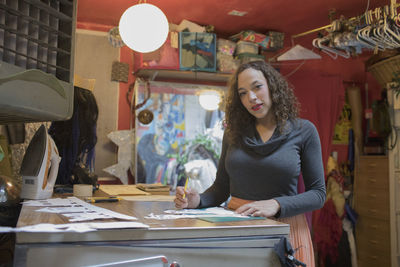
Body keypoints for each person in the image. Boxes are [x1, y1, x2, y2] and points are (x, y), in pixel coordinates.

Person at [174, 60, 326, 267]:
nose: (251, 98)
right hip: (238, 228)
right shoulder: (233, 133)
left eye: (257, 87)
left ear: (272, 86)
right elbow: (221, 188)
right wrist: (197, 201)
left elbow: (318, 194)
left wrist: (277, 204)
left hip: (284, 230)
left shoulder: (304, 131)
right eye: (243, 93)